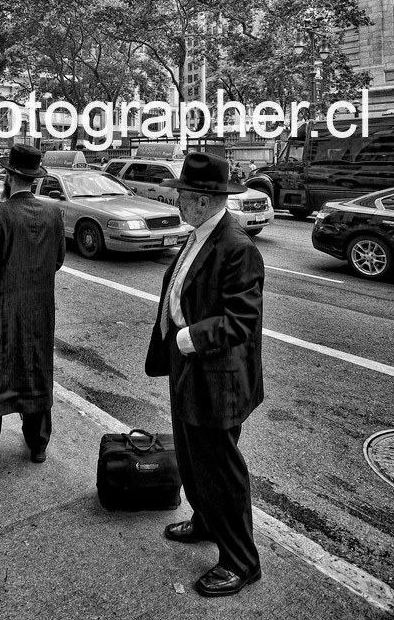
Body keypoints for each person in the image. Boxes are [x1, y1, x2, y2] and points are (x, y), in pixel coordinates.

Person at [145, 151, 264, 598]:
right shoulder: (199, 232)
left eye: (181, 195)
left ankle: (241, 562)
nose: (176, 201)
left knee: (222, 470)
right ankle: (205, 520)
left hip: (218, 377)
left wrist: (184, 339)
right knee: (193, 460)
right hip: (189, 370)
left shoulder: (237, 246)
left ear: (200, 199)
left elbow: (240, 322)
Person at [0, 143, 66, 478]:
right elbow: (58, 260)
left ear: (8, 174)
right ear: (35, 178)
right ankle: (38, 445)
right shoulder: (53, 213)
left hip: (0, 313)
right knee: (36, 370)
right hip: (39, 310)